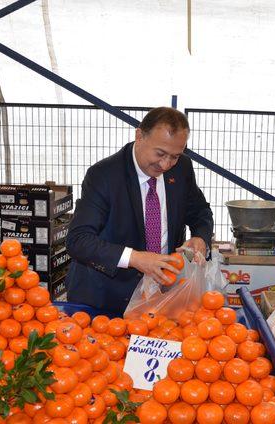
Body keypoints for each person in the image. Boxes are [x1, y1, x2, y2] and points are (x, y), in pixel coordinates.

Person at [65, 107, 214, 315]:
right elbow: (78, 240)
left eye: (175, 156)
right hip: (106, 298)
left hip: (160, 297)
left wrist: (200, 237)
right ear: (139, 136)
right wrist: (135, 258)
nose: (165, 164)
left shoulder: (182, 169)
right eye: (160, 153)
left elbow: (200, 211)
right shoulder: (104, 175)